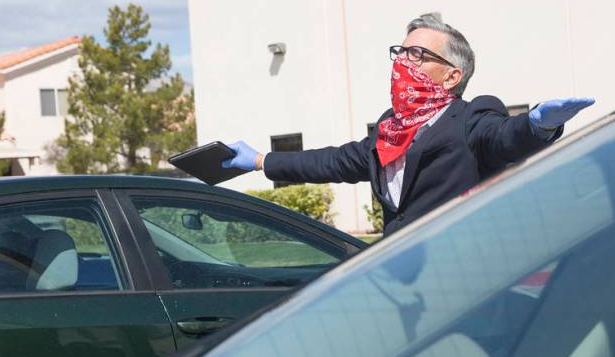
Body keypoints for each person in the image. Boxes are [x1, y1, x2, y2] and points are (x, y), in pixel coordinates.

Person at [223, 14, 595, 236]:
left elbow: (501, 138)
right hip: (398, 278)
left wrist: (537, 126)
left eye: (417, 55)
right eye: (400, 52)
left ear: (452, 76)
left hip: (458, 280)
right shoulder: (390, 128)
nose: (402, 62)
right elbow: (334, 161)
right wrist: (260, 161)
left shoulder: (471, 117)